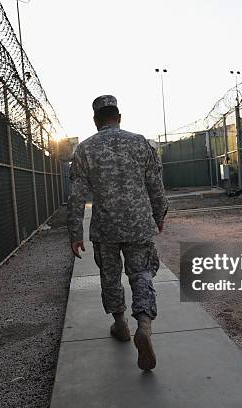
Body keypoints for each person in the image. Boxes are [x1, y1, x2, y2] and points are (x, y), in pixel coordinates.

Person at [67, 95, 168, 371]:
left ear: (96, 121)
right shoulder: (140, 143)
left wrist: (75, 233)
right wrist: (159, 216)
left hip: (106, 227)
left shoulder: (85, 149)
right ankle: (144, 326)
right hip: (138, 224)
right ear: (119, 118)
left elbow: (76, 197)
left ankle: (121, 325)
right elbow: (156, 186)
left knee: (110, 277)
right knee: (142, 274)